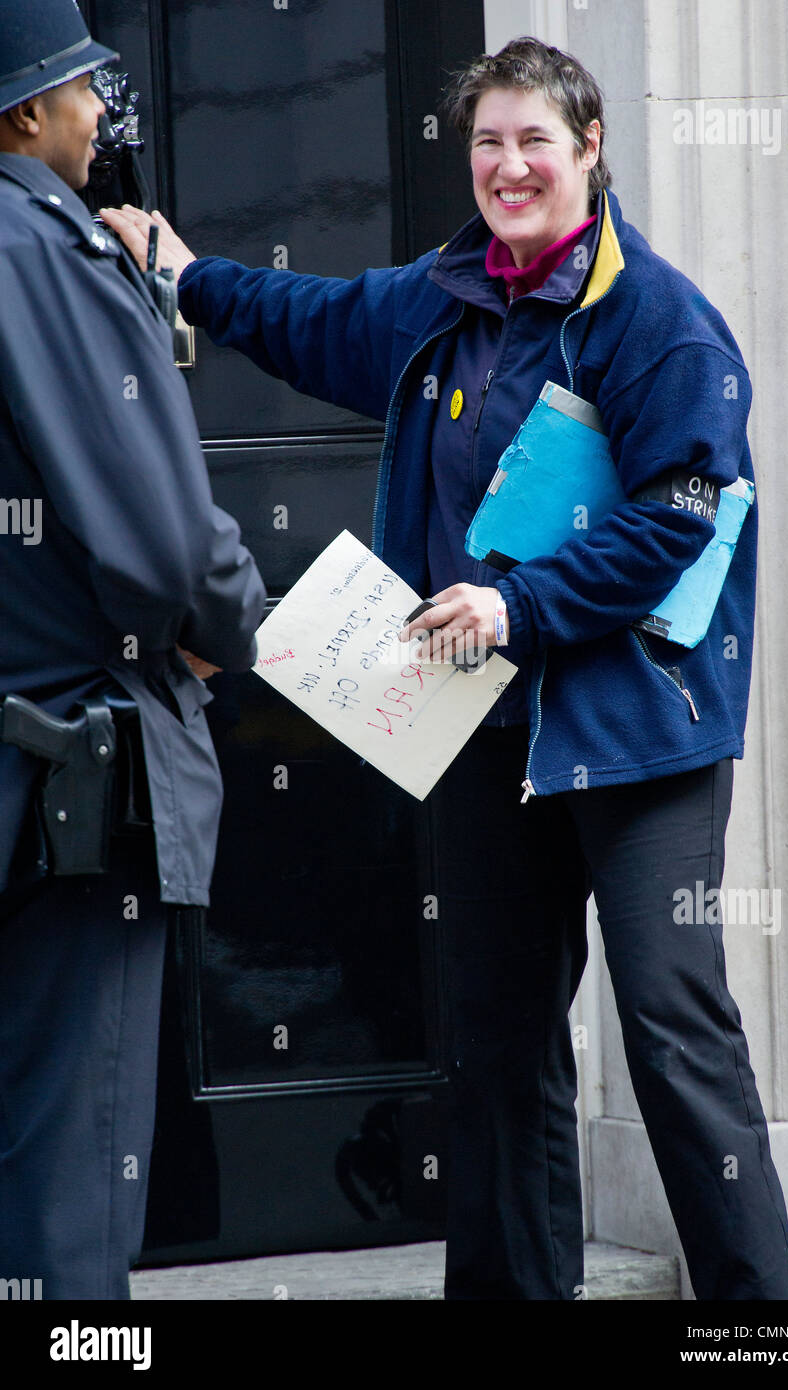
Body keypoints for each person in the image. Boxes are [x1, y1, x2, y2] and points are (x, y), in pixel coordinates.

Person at [103, 36, 788, 1301]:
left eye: (535, 140)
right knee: (494, 1047)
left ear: (590, 150)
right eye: (487, 142)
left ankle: (759, 1318)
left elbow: (683, 511)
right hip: (482, 732)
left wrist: (517, 601)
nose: (508, 165)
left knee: (671, 1030)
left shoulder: (656, 318)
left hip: (638, 738)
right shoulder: (442, 295)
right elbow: (308, 319)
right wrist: (190, 275)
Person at [0, 0, 266, 1299]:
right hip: (70, 801)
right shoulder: (46, 249)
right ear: (25, 110)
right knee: (69, 1202)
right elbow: (167, 548)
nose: (103, 115)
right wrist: (232, 631)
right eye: (82, 91)